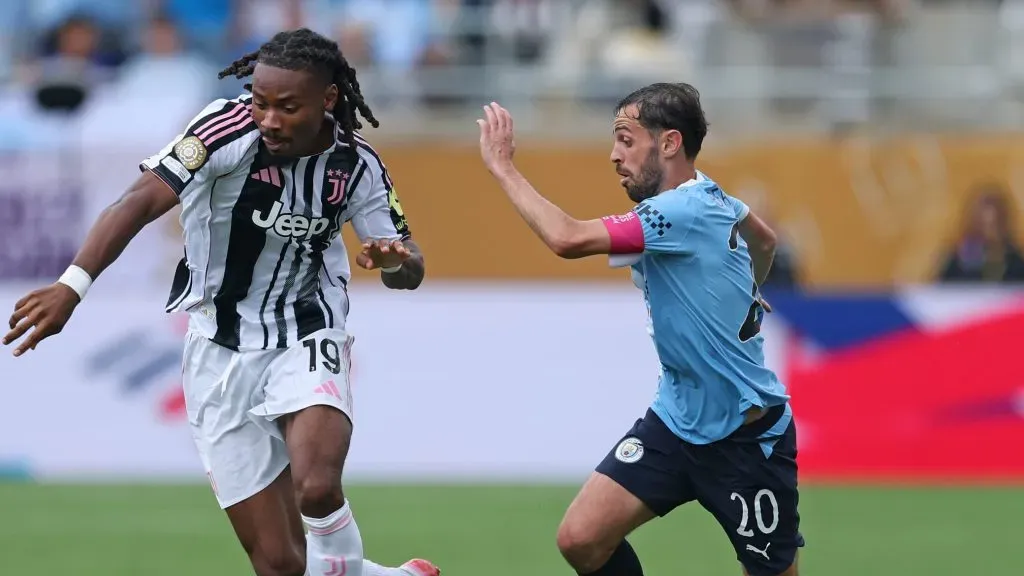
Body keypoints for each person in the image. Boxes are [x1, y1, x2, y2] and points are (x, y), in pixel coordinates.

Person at [4, 28, 439, 576]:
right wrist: (72, 285)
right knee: (280, 563)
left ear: (328, 99)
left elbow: (411, 267)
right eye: (260, 102)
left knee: (318, 484)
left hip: (308, 329)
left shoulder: (356, 165)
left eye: (287, 106)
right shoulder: (222, 131)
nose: (269, 119)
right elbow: (138, 201)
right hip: (217, 345)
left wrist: (396, 260)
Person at [476, 84, 803, 576]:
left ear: (669, 143)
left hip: (745, 439)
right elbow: (764, 238)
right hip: (675, 422)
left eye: (626, 140)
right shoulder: (709, 198)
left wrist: (503, 166)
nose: (614, 154)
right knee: (582, 539)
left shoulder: (680, 211)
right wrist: (745, 286)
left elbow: (566, 238)